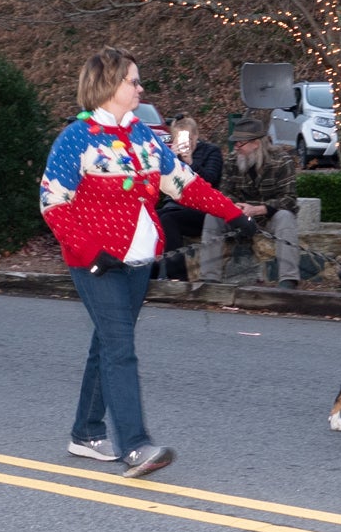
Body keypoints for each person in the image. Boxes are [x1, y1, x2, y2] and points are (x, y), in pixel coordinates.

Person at [40, 47, 253, 479]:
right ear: (107, 84)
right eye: (132, 81)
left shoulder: (144, 137)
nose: (140, 88)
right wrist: (87, 252)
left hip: (139, 261)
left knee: (106, 344)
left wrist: (233, 214)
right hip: (96, 264)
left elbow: (185, 185)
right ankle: (135, 446)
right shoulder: (75, 140)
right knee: (120, 349)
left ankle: (84, 433)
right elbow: (53, 203)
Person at [199, 118, 301, 289]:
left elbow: (289, 199)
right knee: (212, 216)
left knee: (286, 217)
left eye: (240, 143)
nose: (236, 147)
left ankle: (288, 279)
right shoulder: (232, 161)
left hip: (268, 216)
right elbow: (225, 193)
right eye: (235, 143)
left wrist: (258, 209)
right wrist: (235, 207)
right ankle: (209, 279)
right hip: (238, 216)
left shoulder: (282, 161)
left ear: (256, 143)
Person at [155, 116, 223, 281]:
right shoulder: (172, 154)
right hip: (174, 206)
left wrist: (190, 162)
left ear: (196, 136)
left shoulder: (211, 152)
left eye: (189, 138)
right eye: (181, 138)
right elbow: (159, 186)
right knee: (153, 218)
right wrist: (168, 161)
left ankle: (177, 276)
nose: (186, 143)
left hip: (201, 210)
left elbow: (211, 180)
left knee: (168, 219)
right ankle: (149, 274)